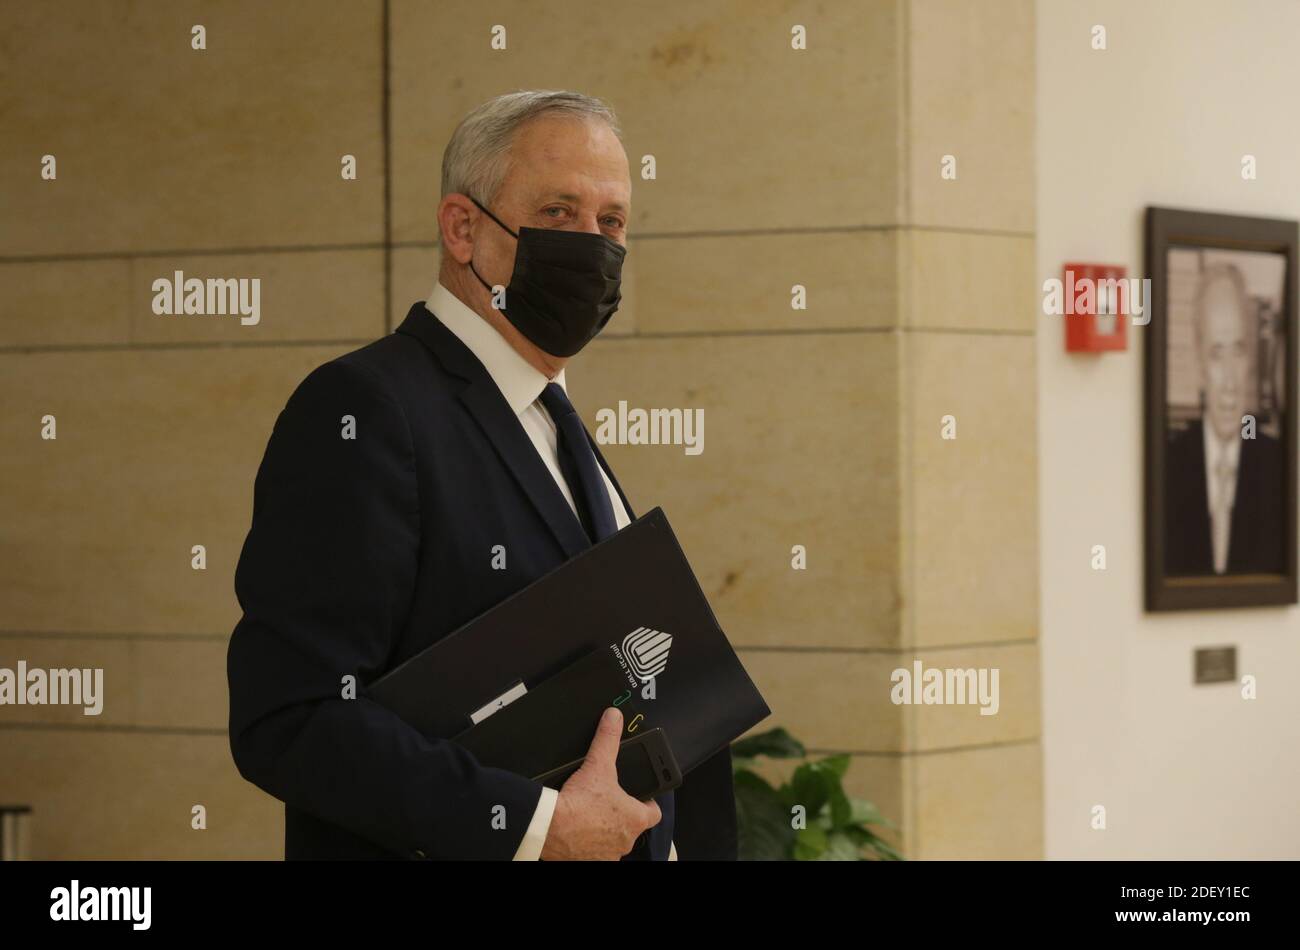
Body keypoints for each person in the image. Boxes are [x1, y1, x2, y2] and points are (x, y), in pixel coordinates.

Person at [226, 90, 736, 860]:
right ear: (463, 229)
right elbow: (290, 715)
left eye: (611, 221)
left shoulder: (557, 426)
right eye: (560, 212)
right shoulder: (366, 408)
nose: (591, 244)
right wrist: (537, 830)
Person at [1165, 262, 1285, 576]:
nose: (1230, 379)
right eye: (1217, 354)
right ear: (1199, 365)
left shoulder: (1279, 468)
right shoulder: (1168, 466)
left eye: (1239, 351)